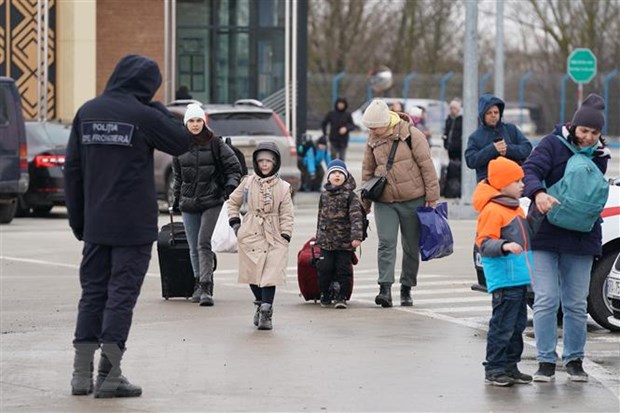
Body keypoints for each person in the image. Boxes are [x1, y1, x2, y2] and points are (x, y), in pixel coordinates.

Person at [64, 54, 192, 398]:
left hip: (96, 223)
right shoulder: (144, 115)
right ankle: (109, 375)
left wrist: (79, 221)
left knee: (92, 293)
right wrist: (158, 109)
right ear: (148, 86)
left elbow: (72, 171)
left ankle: (80, 375)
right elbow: (182, 141)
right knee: (120, 296)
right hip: (133, 226)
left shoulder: (87, 112)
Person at [522, 93, 611, 383]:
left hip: (582, 237)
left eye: (594, 132)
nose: (587, 137)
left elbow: (587, 193)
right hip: (546, 232)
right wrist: (539, 194)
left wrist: (597, 152)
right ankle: (546, 361)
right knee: (546, 299)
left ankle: (574, 360)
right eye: (584, 130)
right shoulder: (551, 145)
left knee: (575, 304)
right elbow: (530, 170)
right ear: (573, 125)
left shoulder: (600, 156)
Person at [360, 99, 440, 308]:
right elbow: (367, 173)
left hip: (413, 199)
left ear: (384, 122)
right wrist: (364, 205)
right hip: (385, 200)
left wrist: (432, 196)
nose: (371, 130)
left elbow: (427, 167)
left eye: (373, 126)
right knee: (386, 242)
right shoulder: (372, 140)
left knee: (411, 247)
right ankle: (384, 289)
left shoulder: (412, 135)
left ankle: (407, 286)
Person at [473, 157, 545, 387]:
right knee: (502, 326)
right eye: (517, 181)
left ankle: (510, 366)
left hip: (518, 278)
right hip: (504, 279)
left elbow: (528, 233)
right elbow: (484, 243)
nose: (522, 185)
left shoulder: (513, 207)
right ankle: (494, 368)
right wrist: (504, 246)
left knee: (516, 326)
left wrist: (540, 211)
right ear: (502, 184)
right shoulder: (493, 210)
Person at [172, 103, 242, 306]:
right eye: (191, 121)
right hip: (188, 202)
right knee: (193, 246)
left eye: (198, 121)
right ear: (186, 123)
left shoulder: (215, 143)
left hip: (212, 200)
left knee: (203, 242)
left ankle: (206, 286)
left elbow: (233, 167)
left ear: (204, 122)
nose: (195, 125)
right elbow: (178, 178)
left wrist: (230, 185)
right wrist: (175, 200)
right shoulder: (178, 145)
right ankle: (197, 282)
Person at [227, 141, 294, 330]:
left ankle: (267, 311)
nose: (264, 164)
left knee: (270, 275)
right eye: (261, 161)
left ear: (275, 162)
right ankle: (259, 302)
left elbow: (287, 213)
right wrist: (236, 224)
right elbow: (232, 202)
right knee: (253, 274)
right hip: (250, 232)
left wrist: (286, 234)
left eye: (269, 161)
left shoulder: (283, 187)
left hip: (275, 235)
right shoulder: (248, 182)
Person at [315, 160, 364, 309]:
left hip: (344, 242)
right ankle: (325, 293)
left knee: (343, 270)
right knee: (324, 268)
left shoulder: (350, 196)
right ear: (328, 177)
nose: (337, 175)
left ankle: (341, 296)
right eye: (334, 173)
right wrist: (318, 237)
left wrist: (356, 237)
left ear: (346, 176)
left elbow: (356, 218)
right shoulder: (324, 196)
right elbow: (320, 217)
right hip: (326, 242)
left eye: (340, 173)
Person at [465, 94, 533, 182]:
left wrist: (507, 149)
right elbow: (471, 160)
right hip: (489, 182)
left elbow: (527, 148)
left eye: (496, 112)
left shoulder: (511, 129)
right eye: (489, 113)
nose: (493, 115)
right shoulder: (475, 137)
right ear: (483, 115)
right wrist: (493, 149)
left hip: (514, 181)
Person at [321, 97, 356, 161]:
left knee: (342, 158)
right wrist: (325, 134)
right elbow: (324, 123)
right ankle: (333, 170)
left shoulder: (347, 114)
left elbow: (353, 126)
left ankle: (341, 170)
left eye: (342, 104)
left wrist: (346, 128)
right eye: (339, 104)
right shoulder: (331, 113)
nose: (340, 106)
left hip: (343, 140)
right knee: (333, 157)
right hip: (333, 139)